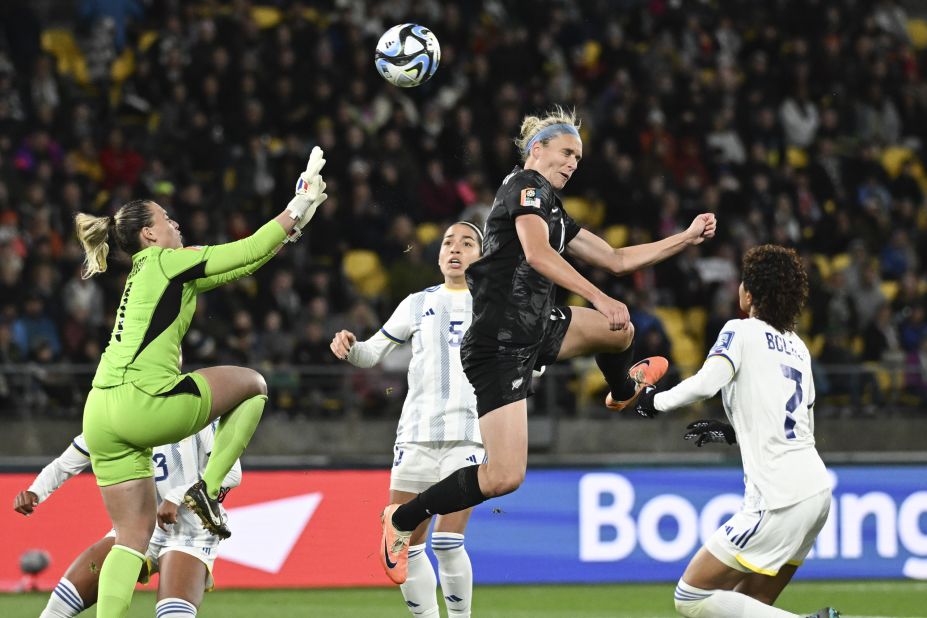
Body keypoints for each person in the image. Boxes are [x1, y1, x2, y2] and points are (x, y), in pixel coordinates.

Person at [379, 107, 717, 583]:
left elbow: (617, 259)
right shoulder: (525, 187)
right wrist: (600, 297)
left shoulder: (551, 208)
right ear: (537, 149)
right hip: (500, 343)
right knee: (503, 477)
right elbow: (536, 255)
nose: (574, 162)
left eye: (578, 156)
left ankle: (622, 391)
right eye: (566, 152)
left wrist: (683, 238)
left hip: (537, 326)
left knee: (620, 331)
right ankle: (403, 518)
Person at [73, 148, 327, 617]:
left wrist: (297, 223)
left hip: (99, 411)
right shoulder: (169, 262)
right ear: (150, 233)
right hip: (143, 402)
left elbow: (246, 265)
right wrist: (296, 205)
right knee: (253, 385)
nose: (175, 223)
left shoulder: (149, 274)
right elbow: (246, 248)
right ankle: (206, 489)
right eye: (166, 218)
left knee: (130, 537)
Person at [633, 245, 839, 618]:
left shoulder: (740, 331)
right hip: (817, 492)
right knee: (750, 608)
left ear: (750, 293)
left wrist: (653, 402)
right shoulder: (799, 348)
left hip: (778, 497)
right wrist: (733, 430)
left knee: (690, 596)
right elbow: (793, 421)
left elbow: (705, 383)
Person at [331, 221, 484, 618]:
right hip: (415, 436)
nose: (455, 248)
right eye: (449, 241)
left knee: (448, 541)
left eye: (467, 243)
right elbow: (370, 354)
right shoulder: (417, 303)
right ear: (438, 255)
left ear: (481, 256)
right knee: (407, 543)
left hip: (467, 434)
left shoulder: (493, 303)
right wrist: (350, 348)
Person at [13, 426, 240, 618]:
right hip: (135, 529)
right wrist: (35, 492)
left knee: (173, 613)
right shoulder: (112, 420)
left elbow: (230, 473)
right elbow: (64, 464)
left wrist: (177, 496)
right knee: (58, 607)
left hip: (190, 533)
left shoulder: (196, 415)